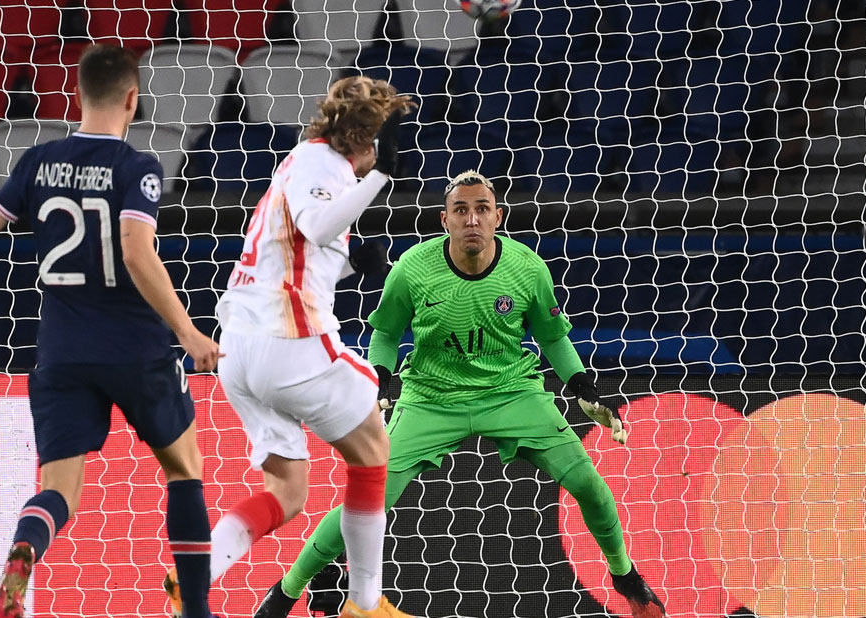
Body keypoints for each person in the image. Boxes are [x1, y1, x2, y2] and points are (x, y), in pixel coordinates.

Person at [251, 170, 667, 618]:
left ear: (498, 217)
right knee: (365, 501)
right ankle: (286, 593)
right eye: (462, 211)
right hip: (430, 396)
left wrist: (583, 385)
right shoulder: (412, 268)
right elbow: (386, 333)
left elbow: (552, 338)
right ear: (444, 220)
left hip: (510, 392)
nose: (472, 219)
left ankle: (624, 574)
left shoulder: (527, 269)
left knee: (589, 484)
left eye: (482, 209)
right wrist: (380, 378)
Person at [0, 44, 220, 618]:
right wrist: (188, 332)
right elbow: (137, 253)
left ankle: (25, 550)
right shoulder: (137, 167)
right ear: (133, 100)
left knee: (60, 491)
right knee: (184, 469)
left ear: (77, 94)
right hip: (136, 349)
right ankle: (195, 610)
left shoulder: (37, 162)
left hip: (62, 351)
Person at [164, 76, 415, 618]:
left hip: (241, 353)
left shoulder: (304, 166)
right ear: (367, 138)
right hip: (289, 344)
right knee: (373, 450)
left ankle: (196, 575)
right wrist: (384, 177)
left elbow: (304, 248)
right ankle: (365, 604)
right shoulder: (324, 165)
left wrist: (356, 262)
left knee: (288, 492)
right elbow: (318, 224)